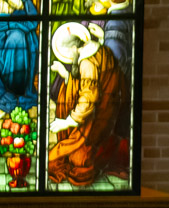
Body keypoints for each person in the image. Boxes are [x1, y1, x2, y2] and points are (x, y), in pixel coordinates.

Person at [48, 21, 129, 186]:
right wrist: (65, 74)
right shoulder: (102, 50)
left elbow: (88, 97)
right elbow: (84, 84)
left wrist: (67, 122)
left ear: (74, 49)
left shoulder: (87, 63)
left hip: (94, 122)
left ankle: (88, 156)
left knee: (61, 161)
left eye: (69, 56)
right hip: (107, 116)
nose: (70, 60)